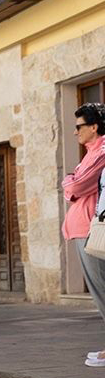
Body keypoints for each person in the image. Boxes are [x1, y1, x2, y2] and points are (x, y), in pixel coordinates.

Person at [60, 103, 105, 364]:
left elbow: (75, 184)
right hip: (85, 229)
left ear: (94, 126)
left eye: (79, 127)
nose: (75, 132)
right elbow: (73, 184)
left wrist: (70, 183)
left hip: (93, 231)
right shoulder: (91, 152)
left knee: (102, 290)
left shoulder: (101, 152)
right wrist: (72, 183)